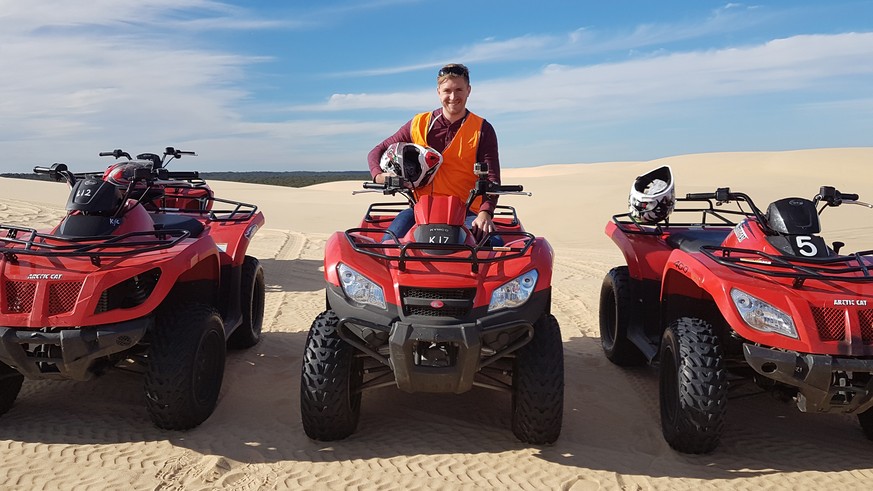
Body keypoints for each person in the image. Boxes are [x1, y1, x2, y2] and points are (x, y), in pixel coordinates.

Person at [367, 63, 501, 243]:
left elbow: (492, 178)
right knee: (388, 246)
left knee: (495, 250)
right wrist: (379, 176)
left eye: (459, 90)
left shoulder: (482, 129)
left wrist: (485, 213)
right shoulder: (418, 124)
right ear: (438, 92)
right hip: (420, 211)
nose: (453, 96)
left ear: (468, 90)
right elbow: (377, 151)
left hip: (466, 212)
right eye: (447, 90)